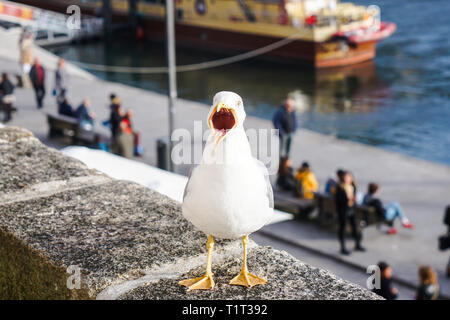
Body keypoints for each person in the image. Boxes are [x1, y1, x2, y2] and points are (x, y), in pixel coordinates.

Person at [334, 171, 364, 255]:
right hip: (343, 211)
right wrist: (348, 199)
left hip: (351, 210)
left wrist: (353, 199)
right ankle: (343, 248)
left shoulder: (353, 186)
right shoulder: (340, 187)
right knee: (342, 229)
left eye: (349, 177)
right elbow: (338, 200)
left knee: (355, 227)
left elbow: (354, 197)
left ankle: (357, 244)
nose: (347, 179)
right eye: (346, 177)